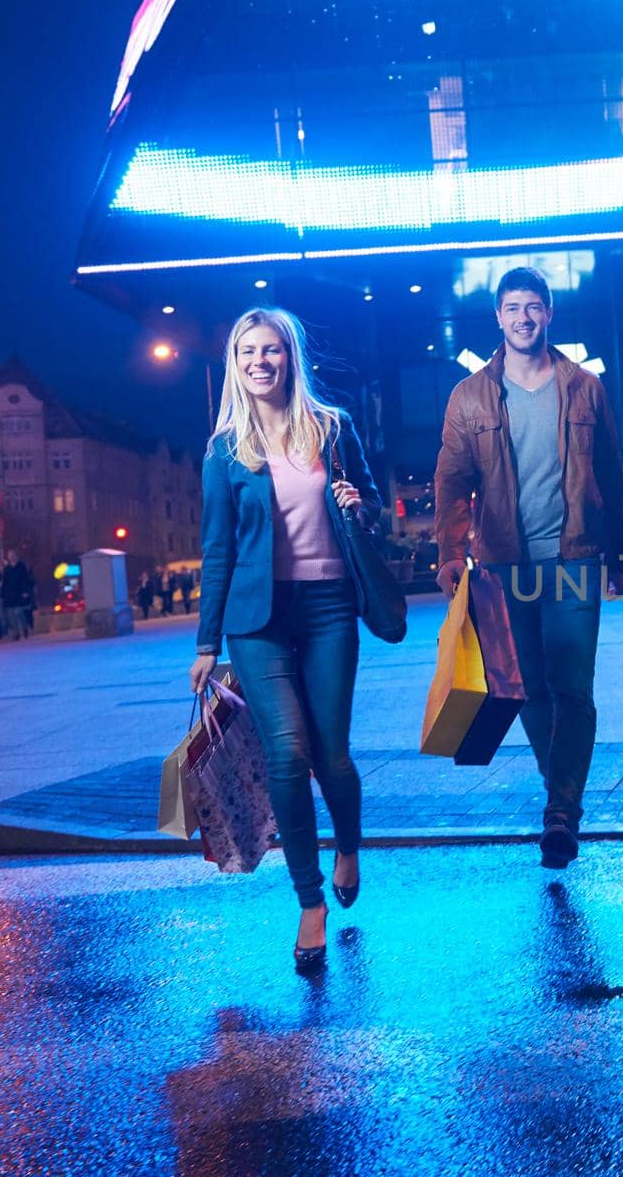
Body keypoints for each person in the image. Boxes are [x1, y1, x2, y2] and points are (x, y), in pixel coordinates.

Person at [190, 307, 382, 974]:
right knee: (288, 751)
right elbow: (216, 550)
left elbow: (375, 504)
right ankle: (308, 901)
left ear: (289, 357)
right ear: (234, 364)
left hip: (330, 605)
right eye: (247, 353)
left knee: (332, 755)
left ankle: (350, 845)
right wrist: (205, 643)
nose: (259, 363)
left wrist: (360, 505)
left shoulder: (332, 428)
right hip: (256, 620)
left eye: (270, 351)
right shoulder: (224, 450)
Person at [433, 267, 623, 870]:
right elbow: (450, 481)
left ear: (549, 314)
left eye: (533, 307)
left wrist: (619, 551)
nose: (523, 317)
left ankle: (561, 813)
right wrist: (448, 551)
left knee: (573, 687)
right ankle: (562, 793)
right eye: (512, 307)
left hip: (574, 559)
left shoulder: (584, 386)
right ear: (498, 317)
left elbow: (613, 473)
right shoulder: (469, 396)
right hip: (501, 564)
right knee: (525, 691)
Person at [0, 550, 35, 641]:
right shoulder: (7, 568)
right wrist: (2, 594)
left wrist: (25, 591)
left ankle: (24, 628)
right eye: (9, 555)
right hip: (9, 594)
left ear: (16, 556)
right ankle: (16, 632)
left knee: (19, 612)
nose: (10, 557)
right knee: (11, 615)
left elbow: (25, 579)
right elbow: (5, 582)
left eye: (12, 555)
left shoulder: (21, 566)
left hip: (19, 593)